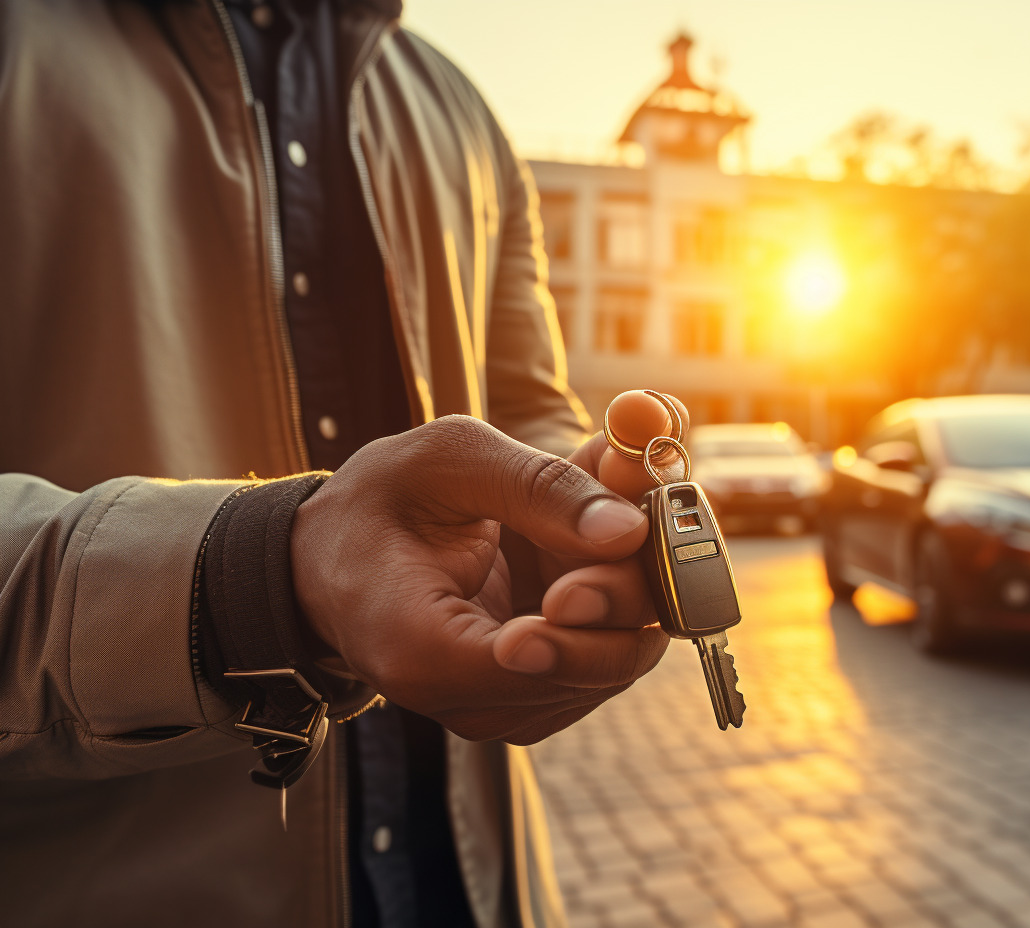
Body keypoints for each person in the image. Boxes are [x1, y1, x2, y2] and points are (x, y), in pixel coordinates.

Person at [0, 2, 680, 925]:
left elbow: (524, 403)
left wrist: (583, 509)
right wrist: (265, 578)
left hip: (464, 886)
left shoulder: (463, 113)